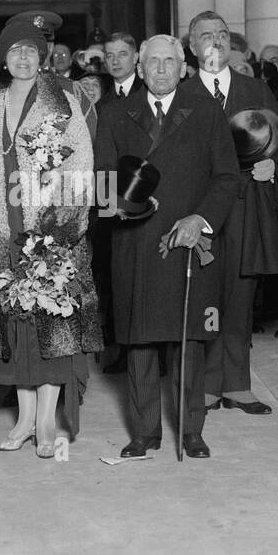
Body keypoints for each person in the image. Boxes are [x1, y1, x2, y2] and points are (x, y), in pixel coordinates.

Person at [0, 18, 103, 458]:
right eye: (15, 50)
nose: (23, 57)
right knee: (14, 331)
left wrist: (61, 229)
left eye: (32, 50)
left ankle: (44, 423)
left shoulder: (64, 104)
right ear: (2, 56)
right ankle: (22, 420)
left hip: (49, 233)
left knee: (50, 328)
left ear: (42, 58)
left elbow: (81, 170)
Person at [95, 34, 240, 458]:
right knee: (138, 341)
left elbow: (227, 177)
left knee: (189, 339)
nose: (160, 69)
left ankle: (191, 430)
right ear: (138, 69)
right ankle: (144, 432)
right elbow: (103, 177)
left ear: (184, 67)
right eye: (152, 62)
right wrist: (116, 208)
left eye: (168, 61)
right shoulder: (116, 112)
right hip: (134, 244)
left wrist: (202, 219)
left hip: (189, 243)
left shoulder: (206, 111)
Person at [188, 10, 278, 415]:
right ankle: (209, 385)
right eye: (206, 36)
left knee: (241, 295)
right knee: (205, 297)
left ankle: (238, 383)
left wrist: (274, 164)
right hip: (201, 210)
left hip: (246, 208)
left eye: (223, 34)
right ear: (191, 48)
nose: (216, 41)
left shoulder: (255, 88)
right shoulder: (182, 93)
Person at [102, 33, 143, 101]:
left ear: (135, 58)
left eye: (122, 55)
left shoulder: (150, 92)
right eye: (110, 56)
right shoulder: (101, 100)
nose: (115, 61)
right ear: (105, 61)